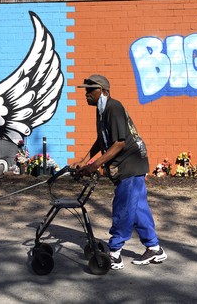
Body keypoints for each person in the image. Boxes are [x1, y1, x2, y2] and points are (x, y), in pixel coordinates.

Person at [73, 74, 166, 270]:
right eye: (86, 90)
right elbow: (102, 140)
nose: (86, 94)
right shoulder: (101, 110)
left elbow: (119, 143)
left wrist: (94, 165)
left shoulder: (112, 107)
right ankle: (154, 248)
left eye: (91, 90)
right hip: (132, 163)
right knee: (138, 207)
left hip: (129, 163)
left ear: (104, 92)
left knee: (123, 207)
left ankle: (114, 253)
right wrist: (84, 161)